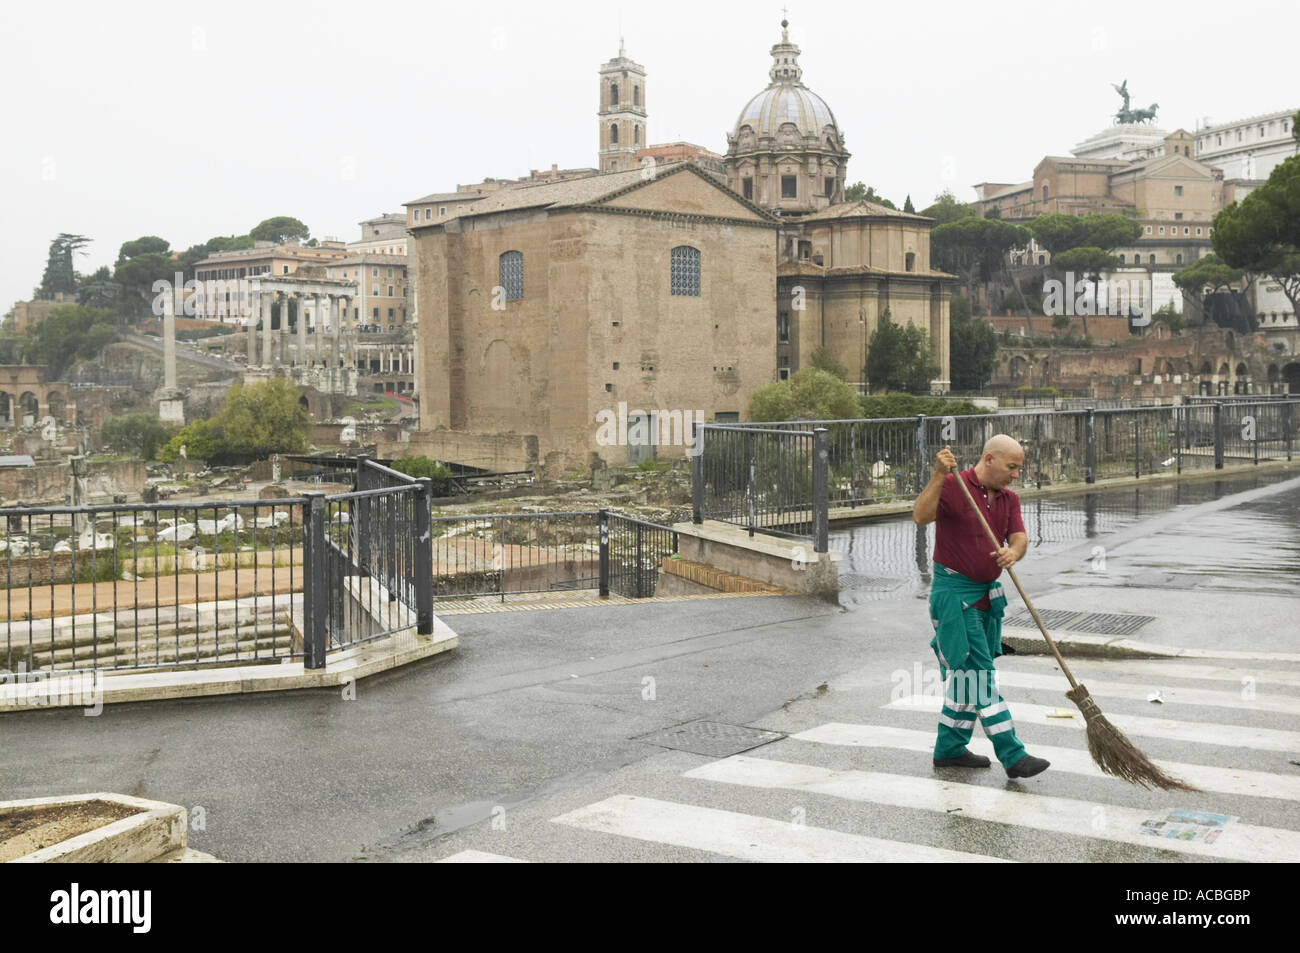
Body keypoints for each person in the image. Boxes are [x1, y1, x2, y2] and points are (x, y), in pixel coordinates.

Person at [911, 435, 1050, 779]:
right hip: (955, 598)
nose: (1017, 474)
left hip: (988, 597)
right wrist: (937, 476)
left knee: (964, 677)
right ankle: (1013, 754)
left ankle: (949, 749)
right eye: (1012, 466)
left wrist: (1013, 552)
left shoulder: (1009, 499)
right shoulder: (954, 485)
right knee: (978, 674)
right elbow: (920, 516)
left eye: (1019, 467)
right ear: (989, 459)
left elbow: (1019, 537)